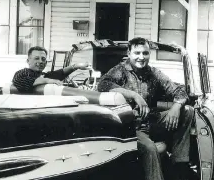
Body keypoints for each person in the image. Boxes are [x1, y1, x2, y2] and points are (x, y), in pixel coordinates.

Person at [97, 37, 195, 180]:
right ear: (129, 53)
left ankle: (179, 163)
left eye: (145, 53)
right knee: (150, 149)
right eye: (137, 53)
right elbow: (103, 85)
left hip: (150, 121)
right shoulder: (120, 70)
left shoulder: (153, 73)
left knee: (187, 111)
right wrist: (133, 95)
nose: (141, 57)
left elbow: (179, 91)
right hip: (130, 126)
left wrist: (176, 106)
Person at [12, 46, 89, 93]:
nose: (40, 61)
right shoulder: (22, 73)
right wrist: (49, 81)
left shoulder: (42, 75)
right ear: (28, 61)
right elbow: (21, 81)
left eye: (43, 59)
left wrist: (75, 66)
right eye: (36, 58)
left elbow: (58, 73)